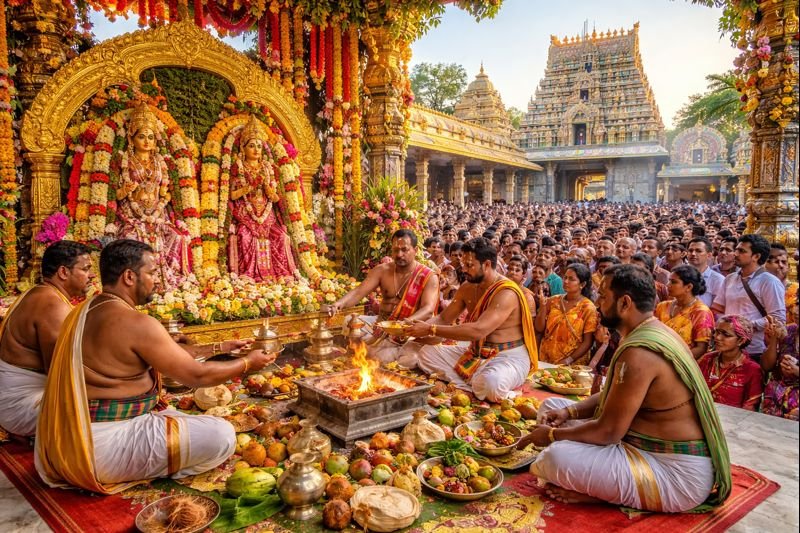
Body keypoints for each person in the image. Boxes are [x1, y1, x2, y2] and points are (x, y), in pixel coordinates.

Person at [35, 239, 276, 494]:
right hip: (101, 447)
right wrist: (249, 362)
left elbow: (169, 353)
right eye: (151, 273)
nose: (157, 280)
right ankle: (156, 470)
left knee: (187, 419)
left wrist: (222, 348)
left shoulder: (85, 311)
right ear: (129, 276)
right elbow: (197, 375)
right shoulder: (135, 322)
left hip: (67, 439)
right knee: (222, 435)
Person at [520, 264, 731, 513]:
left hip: (673, 473)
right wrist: (569, 413)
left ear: (624, 303)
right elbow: (615, 396)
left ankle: (604, 495)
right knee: (553, 407)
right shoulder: (651, 332)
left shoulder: (639, 353)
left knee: (552, 459)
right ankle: (602, 483)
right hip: (636, 443)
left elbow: (608, 432)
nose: (598, 304)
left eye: (603, 296)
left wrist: (552, 436)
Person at [405, 238, 538, 402]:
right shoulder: (468, 287)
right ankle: (473, 384)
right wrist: (408, 328)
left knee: (491, 383)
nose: (463, 269)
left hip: (507, 357)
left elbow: (478, 330)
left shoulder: (506, 292)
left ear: (487, 265)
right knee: (426, 353)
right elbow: (444, 318)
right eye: (463, 264)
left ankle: (479, 384)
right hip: (475, 354)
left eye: (469, 265)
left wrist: (429, 329)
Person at [0, 241, 94, 437]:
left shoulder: (40, 293)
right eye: (85, 269)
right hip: (22, 407)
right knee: (108, 409)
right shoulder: (52, 304)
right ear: (63, 272)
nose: (92, 275)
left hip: (12, 400)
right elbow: (62, 373)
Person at [324, 229, 438, 365]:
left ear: (415, 249)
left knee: (407, 359)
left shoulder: (428, 276)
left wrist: (403, 324)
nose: (399, 254)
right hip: (381, 324)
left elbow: (428, 309)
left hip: (409, 332)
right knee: (349, 321)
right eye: (395, 250)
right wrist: (338, 304)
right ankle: (376, 348)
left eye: (404, 250)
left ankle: (379, 351)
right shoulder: (382, 270)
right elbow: (359, 292)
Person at [115, 101, 191, 288]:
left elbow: (166, 192)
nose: (147, 141)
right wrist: (125, 191)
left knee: (178, 237)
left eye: (150, 137)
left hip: (158, 215)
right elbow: (116, 196)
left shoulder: (160, 162)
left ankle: (171, 282)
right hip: (131, 215)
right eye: (142, 136)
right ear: (132, 139)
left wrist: (165, 197)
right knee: (132, 238)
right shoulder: (126, 161)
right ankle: (136, 285)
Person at [228, 115, 297, 280]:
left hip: (268, 217)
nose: (256, 149)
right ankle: (247, 275)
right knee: (244, 237)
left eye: (259, 146)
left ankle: (281, 275)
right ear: (243, 149)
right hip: (246, 215)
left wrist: (267, 189)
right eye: (251, 146)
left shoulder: (269, 168)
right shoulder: (238, 167)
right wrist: (248, 187)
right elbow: (232, 195)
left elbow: (275, 198)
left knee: (281, 236)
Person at [711, 234, 786, 361]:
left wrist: (744, 327)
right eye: (736, 249)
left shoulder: (769, 282)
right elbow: (717, 309)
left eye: (742, 251)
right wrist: (723, 329)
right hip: (726, 348)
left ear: (756, 257)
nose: (735, 254)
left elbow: (777, 319)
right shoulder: (730, 278)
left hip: (754, 350)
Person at [697, 315, 763, 411]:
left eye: (726, 334)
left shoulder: (752, 370)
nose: (717, 337)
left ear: (741, 341)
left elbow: (750, 407)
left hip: (733, 421)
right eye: (717, 332)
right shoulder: (707, 359)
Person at [535, 263, 597, 365]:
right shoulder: (553, 300)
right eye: (565, 278)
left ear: (582, 284)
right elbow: (539, 328)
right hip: (546, 358)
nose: (566, 281)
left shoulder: (588, 308)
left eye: (572, 279)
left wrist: (568, 360)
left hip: (572, 363)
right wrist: (542, 307)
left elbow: (588, 342)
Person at [654, 265, 715, 359]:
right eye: (669, 280)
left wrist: (673, 361)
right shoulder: (662, 306)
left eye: (673, 282)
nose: (667, 284)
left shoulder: (701, 312)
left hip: (683, 364)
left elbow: (701, 349)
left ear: (689, 287)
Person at [761, 307, 799, 420]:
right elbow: (767, 366)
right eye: (796, 304)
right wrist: (774, 339)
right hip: (776, 399)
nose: (796, 311)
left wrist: (797, 371)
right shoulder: (789, 331)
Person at [687, 237, 725, 309]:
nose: (693, 254)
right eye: (690, 250)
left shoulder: (718, 280)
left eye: (698, 251)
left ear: (709, 255)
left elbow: (717, 310)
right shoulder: (678, 276)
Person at [765, 244, 797, 325]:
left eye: (784, 262)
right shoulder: (759, 288)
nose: (781, 265)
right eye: (776, 262)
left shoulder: (796, 290)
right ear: (765, 265)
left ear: (789, 266)